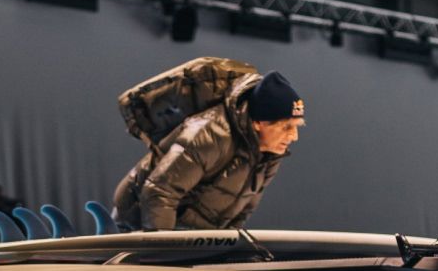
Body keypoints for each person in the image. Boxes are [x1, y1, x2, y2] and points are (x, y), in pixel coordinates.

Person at [113, 65, 305, 231]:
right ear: (259, 122)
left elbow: (241, 212)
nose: (294, 136)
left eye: (297, 126)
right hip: (135, 224)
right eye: (286, 127)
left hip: (183, 235)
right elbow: (159, 193)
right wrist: (165, 257)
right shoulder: (209, 134)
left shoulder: (269, 153)